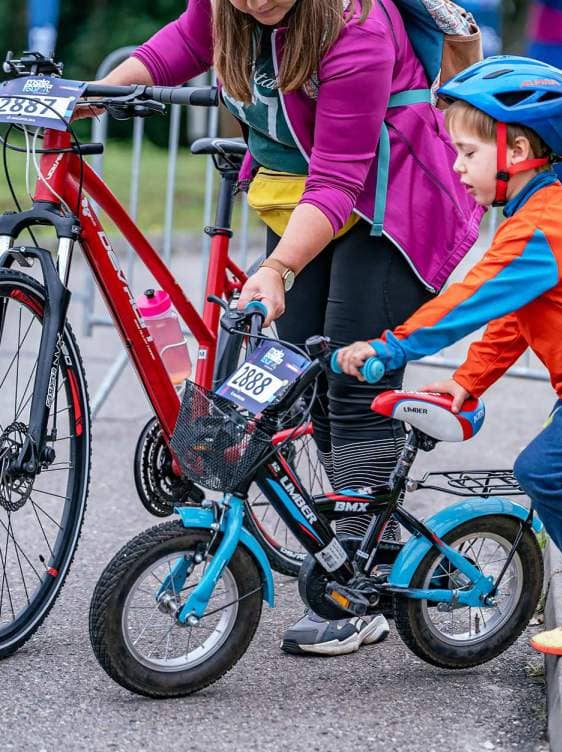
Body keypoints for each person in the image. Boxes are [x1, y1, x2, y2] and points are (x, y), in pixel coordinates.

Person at [95, 0, 482, 655]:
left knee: (354, 387)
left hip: (395, 198)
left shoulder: (353, 25)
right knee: (307, 367)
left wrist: (276, 267)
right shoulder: (224, 9)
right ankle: (357, 547)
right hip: (315, 204)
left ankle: (362, 584)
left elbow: (338, 175)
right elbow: (169, 52)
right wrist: (86, 99)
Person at [337, 56, 562, 655]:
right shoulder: (530, 220)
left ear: (521, 148)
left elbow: (468, 301)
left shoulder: (542, 226)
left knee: (544, 472)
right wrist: (467, 381)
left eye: (468, 153)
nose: (457, 166)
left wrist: (390, 345)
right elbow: (512, 321)